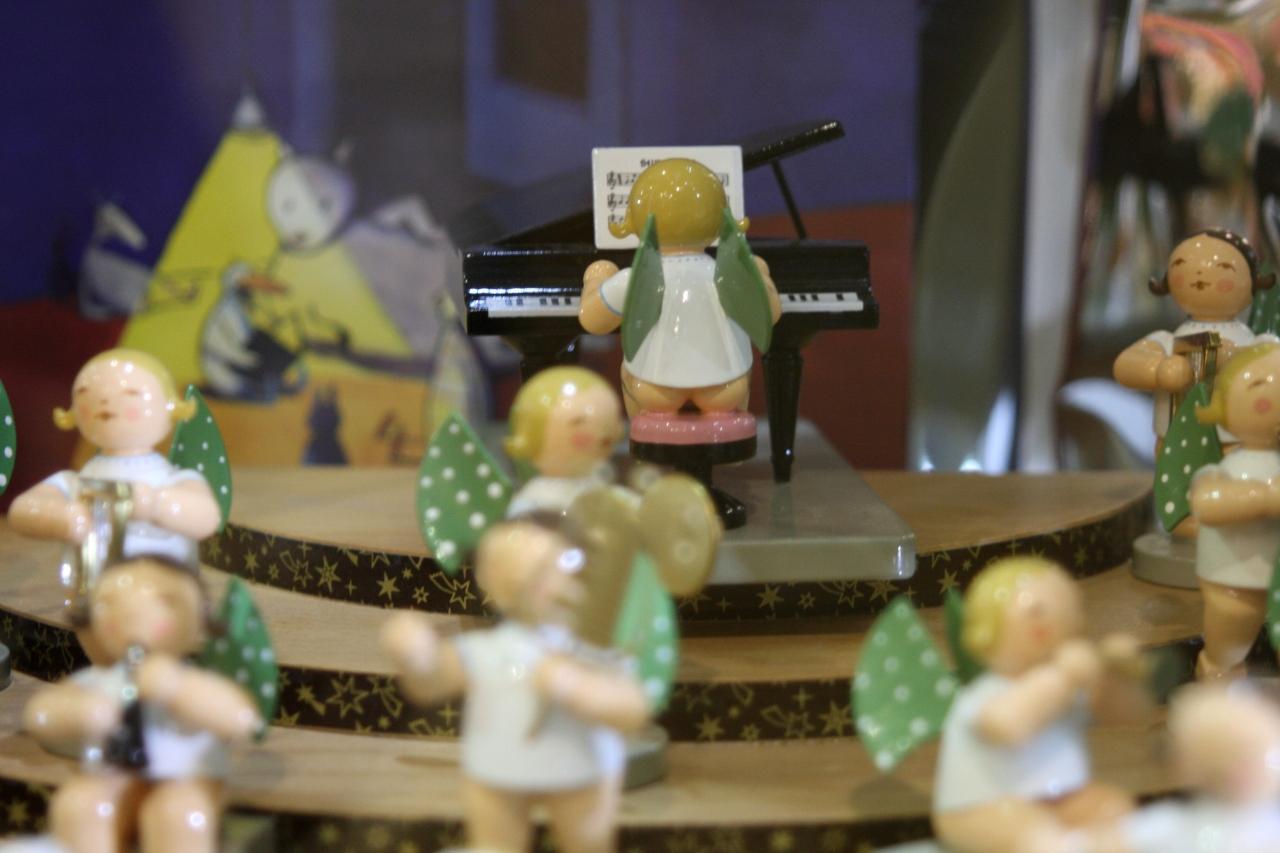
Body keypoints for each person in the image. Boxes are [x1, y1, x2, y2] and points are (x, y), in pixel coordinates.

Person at [382, 513, 650, 853]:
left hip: (580, 766)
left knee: (587, 841)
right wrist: (418, 658)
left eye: (546, 571)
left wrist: (573, 686)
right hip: (498, 768)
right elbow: (433, 684)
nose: (532, 585)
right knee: (495, 843)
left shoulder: (593, 650)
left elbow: (633, 709)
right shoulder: (491, 649)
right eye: (514, 574)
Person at [23, 554, 262, 853]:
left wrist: (176, 688)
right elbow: (41, 714)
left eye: (166, 601)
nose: (130, 615)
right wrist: (80, 712)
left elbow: (242, 720)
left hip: (184, 777)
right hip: (114, 773)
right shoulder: (104, 681)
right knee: (81, 806)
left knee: (177, 816)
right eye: (107, 603)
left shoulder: (192, 681)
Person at [932, 557, 1146, 853]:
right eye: (1038, 613)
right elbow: (1007, 726)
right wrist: (1062, 676)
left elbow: (1123, 715)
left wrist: (1116, 675)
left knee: (1113, 809)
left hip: (1059, 799)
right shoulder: (984, 694)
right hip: (982, 807)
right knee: (1035, 835)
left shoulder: (1066, 687)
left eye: (1070, 613)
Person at [578, 158, 780, 418]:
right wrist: (760, 273)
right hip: (725, 389)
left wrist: (596, 277)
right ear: (723, 218)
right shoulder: (726, 275)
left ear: (635, 219)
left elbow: (592, 320)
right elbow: (769, 314)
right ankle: (729, 429)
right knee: (740, 376)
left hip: (655, 389)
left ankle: (643, 439)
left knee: (629, 375)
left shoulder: (636, 278)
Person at [8, 349, 220, 566]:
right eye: (85, 394)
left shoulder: (175, 480)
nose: (105, 401)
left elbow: (207, 518)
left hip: (162, 580)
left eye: (130, 394)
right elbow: (21, 510)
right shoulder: (75, 482)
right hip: (94, 581)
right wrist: (59, 517)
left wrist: (154, 504)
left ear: (169, 408)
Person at [1113, 229, 1277, 447]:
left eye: (1223, 268)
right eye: (1180, 266)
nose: (1200, 273)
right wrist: (1159, 370)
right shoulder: (1167, 341)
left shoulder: (1258, 344)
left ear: (1253, 282)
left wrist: (1236, 359)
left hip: (1235, 440)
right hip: (1174, 442)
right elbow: (1124, 366)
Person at [1188, 342, 1280, 680]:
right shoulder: (1223, 468)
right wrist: (1264, 497)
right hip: (1231, 581)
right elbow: (1207, 502)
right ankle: (1218, 696)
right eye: (1260, 385)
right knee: (1226, 652)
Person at [503, 367, 625, 518]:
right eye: (578, 423)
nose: (600, 435)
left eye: (607, 424)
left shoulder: (602, 484)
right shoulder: (537, 498)